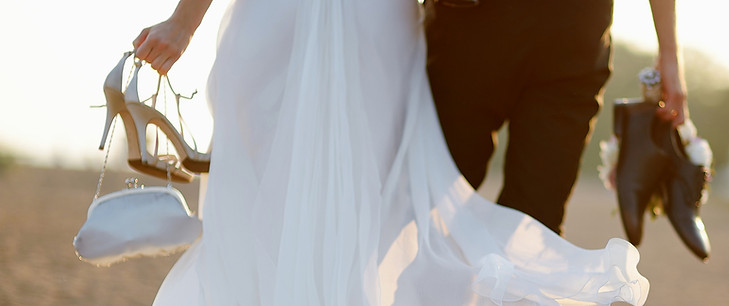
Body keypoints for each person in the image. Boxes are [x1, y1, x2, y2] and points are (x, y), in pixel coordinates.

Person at [132, 0, 651, 305]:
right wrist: (185, 21)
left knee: (382, 202)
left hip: (382, 22)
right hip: (303, 16)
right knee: (276, 180)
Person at [425, 0, 690, 235]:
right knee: (430, 204)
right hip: (470, 25)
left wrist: (669, 51)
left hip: (574, 43)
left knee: (532, 226)